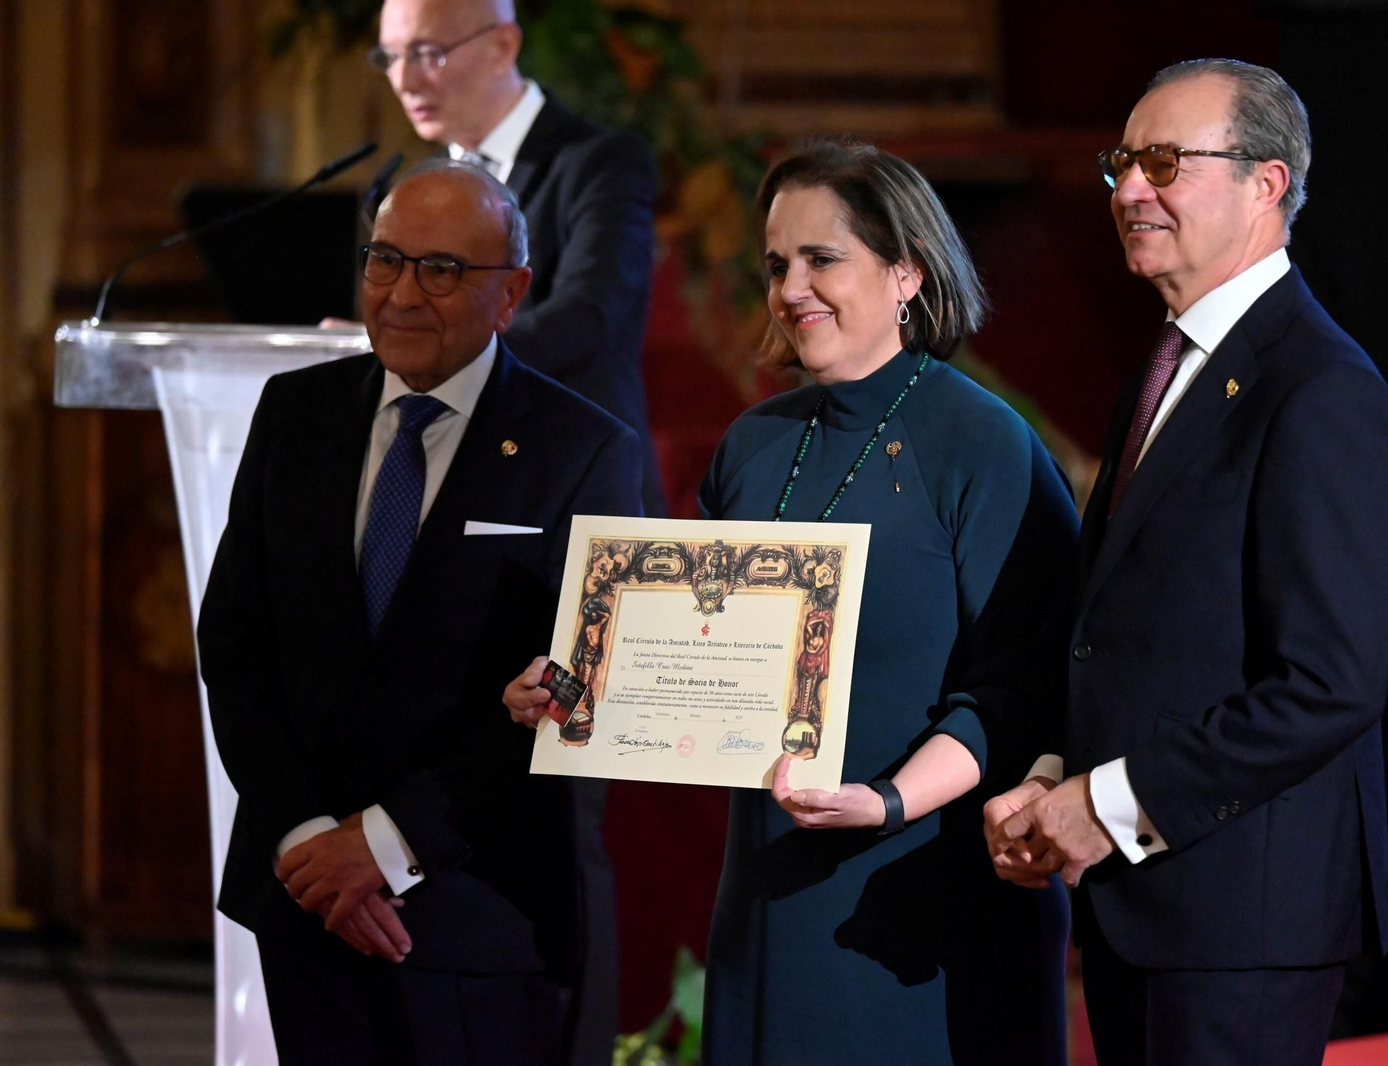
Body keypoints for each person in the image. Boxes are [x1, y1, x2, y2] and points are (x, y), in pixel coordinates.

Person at [506, 138, 1076, 1064]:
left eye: (822, 259)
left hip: (926, 900)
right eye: (776, 264)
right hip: (775, 890)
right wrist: (571, 690)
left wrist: (888, 801)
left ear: (906, 273)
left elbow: (1024, 690)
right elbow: (675, 652)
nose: (791, 287)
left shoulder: (987, 444)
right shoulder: (754, 445)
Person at [985, 59, 1388, 1066]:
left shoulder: (1320, 392)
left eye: (1164, 163)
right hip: (1146, 907)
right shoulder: (1169, 362)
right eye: (1122, 162)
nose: (1128, 190)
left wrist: (1102, 806)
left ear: (1266, 185)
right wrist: (1054, 780)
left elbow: (1328, 684)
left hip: (1242, 923)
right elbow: (1121, 633)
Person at [198, 160, 644, 1065]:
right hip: (306, 898)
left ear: (511, 293)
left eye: (441, 269)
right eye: (384, 260)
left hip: (471, 915)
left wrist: (390, 844)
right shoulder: (296, 412)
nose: (402, 294)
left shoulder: (580, 450)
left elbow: (569, 688)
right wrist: (310, 840)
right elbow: (236, 646)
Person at [371, 0, 664, 516]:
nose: (404, 80)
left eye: (427, 53)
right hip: (448, 494)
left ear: (502, 45)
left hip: (576, 488)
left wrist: (431, 347)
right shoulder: (420, 186)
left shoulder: (600, 162)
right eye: (390, 57)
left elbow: (586, 318)